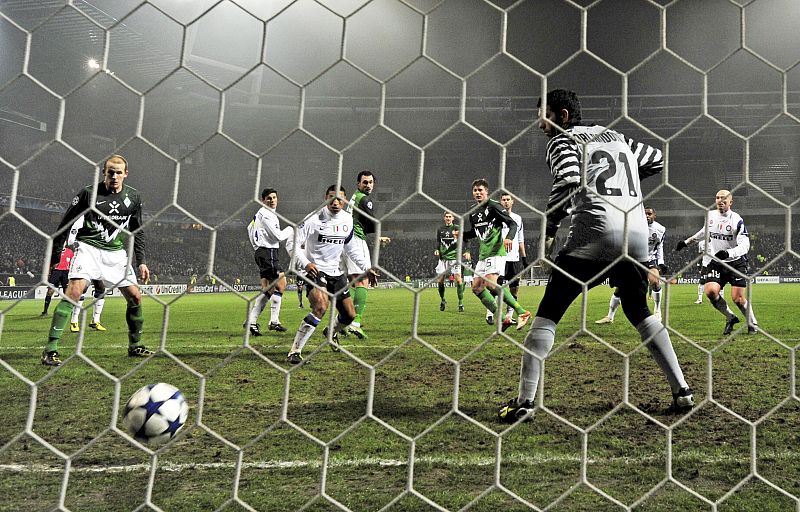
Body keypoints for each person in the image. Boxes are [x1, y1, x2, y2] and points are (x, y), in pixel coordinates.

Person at [498, 89, 693, 422]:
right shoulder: (615, 135)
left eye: (543, 115)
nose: (539, 124)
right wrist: (624, 179)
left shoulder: (562, 140)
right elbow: (657, 158)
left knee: (549, 312)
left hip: (594, 233)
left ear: (561, 115)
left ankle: (526, 402)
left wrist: (549, 227)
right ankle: (682, 391)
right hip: (636, 236)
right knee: (639, 309)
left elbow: (569, 180)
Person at [40, 154, 153, 366]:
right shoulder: (88, 194)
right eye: (110, 172)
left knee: (136, 298)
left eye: (119, 173)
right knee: (73, 292)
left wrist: (142, 261)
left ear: (126, 174)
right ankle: (50, 349)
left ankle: (135, 345)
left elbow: (137, 231)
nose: (114, 177)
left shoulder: (134, 197)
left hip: (116, 253)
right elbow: (65, 224)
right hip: (88, 249)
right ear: (104, 173)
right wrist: (56, 256)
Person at [286, 185, 377, 364]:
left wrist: (366, 267)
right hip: (314, 270)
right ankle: (295, 351)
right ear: (325, 198)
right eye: (331, 198)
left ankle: (331, 331)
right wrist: (306, 263)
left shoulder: (347, 220)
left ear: (344, 200)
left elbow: (350, 247)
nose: (335, 202)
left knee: (349, 316)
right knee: (320, 306)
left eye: (340, 199)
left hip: (336, 272)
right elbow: (291, 243)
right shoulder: (313, 219)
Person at [676, 189, 758, 335]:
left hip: (735, 262)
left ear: (730, 202)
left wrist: (728, 253)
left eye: (724, 198)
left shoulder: (736, 220)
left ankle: (752, 323)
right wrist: (687, 242)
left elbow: (745, 245)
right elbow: (704, 231)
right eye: (717, 197)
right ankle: (730, 317)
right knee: (710, 291)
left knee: (738, 299)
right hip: (717, 262)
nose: (720, 200)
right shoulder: (710, 215)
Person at [459, 179, 530, 331]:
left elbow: (513, 224)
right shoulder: (473, 211)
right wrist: (462, 235)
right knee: (476, 287)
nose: (478, 193)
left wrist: (509, 238)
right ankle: (504, 319)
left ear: (486, 192)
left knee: (491, 285)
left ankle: (522, 312)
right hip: (484, 254)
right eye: (475, 190)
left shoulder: (494, 206)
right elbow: (475, 232)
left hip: (497, 251)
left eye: (480, 190)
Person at [595, 206, 668, 323]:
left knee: (655, 281)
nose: (647, 216)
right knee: (620, 287)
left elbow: (660, 247)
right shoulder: (634, 227)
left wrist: (661, 262)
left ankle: (657, 311)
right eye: (645, 214)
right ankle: (610, 316)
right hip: (635, 258)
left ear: (654, 215)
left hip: (650, 258)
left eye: (649, 214)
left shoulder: (661, 229)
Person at [344, 171, 390, 339]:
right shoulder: (364, 199)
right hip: (356, 240)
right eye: (365, 182)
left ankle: (344, 321)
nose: (368, 185)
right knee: (363, 280)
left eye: (370, 182)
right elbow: (373, 222)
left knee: (354, 283)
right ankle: (355, 323)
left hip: (347, 239)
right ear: (358, 184)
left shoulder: (355, 198)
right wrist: (378, 236)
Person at [245, 188, 294, 336]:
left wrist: (256, 245)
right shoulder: (267, 215)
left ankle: (254, 321)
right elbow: (278, 236)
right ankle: (270, 321)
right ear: (263, 200)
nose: (272, 200)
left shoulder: (260, 214)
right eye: (269, 198)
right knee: (281, 284)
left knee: (268, 289)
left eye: (274, 198)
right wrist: (291, 229)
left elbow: (249, 228)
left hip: (263, 252)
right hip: (268, 252)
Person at [499, 193, 528, 323]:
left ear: (512, 201)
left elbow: (520, 240)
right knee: (496, 286)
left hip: (514, 258)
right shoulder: (497, 218)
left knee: (514, 287)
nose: (506, 202)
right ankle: (491, 313)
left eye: (508, 199)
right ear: (500, 202)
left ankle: (510, 315)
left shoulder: (518, 218)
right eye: (503, 200)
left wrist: (524, 258)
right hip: (500, 257)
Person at [434, 211, 465, 312]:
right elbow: (438, 241)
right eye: (446, 217)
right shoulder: (440, 229)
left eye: (449, 217)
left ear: (453, 218)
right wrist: (437, 249)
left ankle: (460, 303)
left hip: (454, 258)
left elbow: (464, 240)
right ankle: (442, 300)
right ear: (444, 218)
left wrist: (466, 251)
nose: (448, 218)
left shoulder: (457, 228)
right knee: (440, 281)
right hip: (443, 258)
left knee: (459, 280)